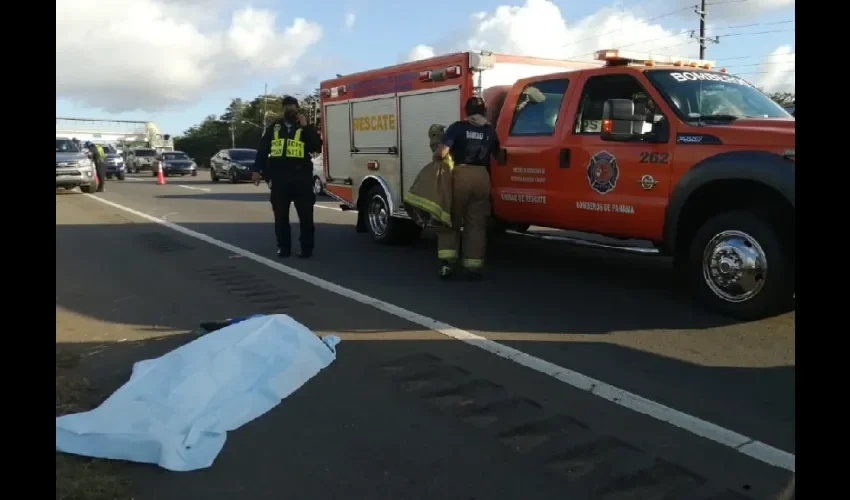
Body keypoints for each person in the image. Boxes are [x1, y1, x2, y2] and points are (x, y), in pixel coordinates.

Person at [433, 96, 504, 280]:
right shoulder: (490, 131)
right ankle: (473, 267)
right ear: (484, 112)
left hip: (461, 175)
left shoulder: (458, 127)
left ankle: (447, 265)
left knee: (451, 220)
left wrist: (436, 158)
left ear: (466, 111)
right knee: (476, 225)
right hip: (482, 178)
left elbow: (441, 153)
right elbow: (500, 157)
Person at [252, 96, 323, 258]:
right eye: (287, 107)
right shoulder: (274, 127)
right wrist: (257, 170)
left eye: (293, 107)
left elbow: (316, 147)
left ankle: (306, 249)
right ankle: (283, 248)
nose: (290, 110)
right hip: (279, 177)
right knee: (280, 216)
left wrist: (306, 127)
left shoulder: (304, 127)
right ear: (283, 109)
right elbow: (263, 150)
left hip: (301, 178)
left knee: (306, 216)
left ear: (297, 109)